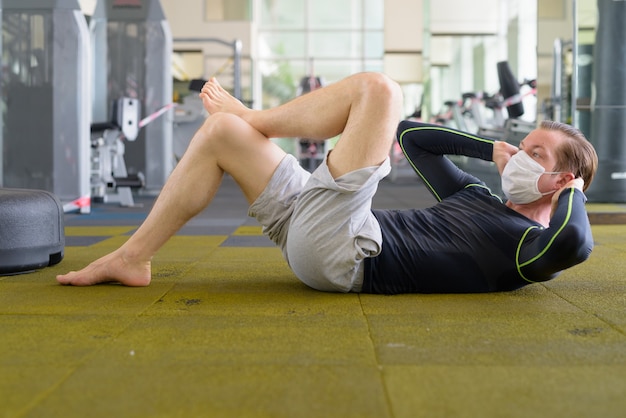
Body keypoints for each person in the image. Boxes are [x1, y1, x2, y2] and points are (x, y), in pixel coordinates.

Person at [57, 72, 598, 294]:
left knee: (380, 90)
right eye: (523, 148)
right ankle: (132, 258)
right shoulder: (478, 196)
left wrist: (572, 193)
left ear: (562, 178)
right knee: (221, 132)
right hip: (323, 227)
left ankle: (255, 117)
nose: (520, 158)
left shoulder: (530, 247)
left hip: (347, 253)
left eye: (535, 155)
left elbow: (574, 242)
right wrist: (489, 151)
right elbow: (413, 141)